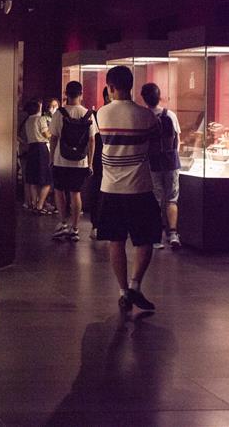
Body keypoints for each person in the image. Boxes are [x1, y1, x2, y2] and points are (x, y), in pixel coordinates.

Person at [97, 66, 162, 316]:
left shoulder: (101, 114)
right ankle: (136, 285)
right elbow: (156, 149)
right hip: (140, 187)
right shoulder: (147, 116)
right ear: (131, 86)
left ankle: (123, 291)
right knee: (144, 239)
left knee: (116, 240)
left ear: (110, 87)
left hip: (110, 187)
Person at [50, 81, 97, 242]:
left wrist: (51, 158)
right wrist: (90, 163)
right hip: (80, 162)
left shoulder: (59, 114)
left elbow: (53, 138)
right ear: (81, 94)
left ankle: (63, 223)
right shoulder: (87, 114)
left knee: (59, 191)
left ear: (66, 94)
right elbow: (92, 141)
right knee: (76, 193)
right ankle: (75, 228)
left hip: (60, 160)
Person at [140, 82, 182, 250]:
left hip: (152, 161)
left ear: (144, 98)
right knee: (172, 198)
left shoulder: (143, 116)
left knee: (156, 198)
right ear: (160, 96)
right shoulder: (169, 114)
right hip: (171, 161)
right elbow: (178, 138)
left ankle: (155, 236)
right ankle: (173, 233)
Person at [87, 86, 111, 239]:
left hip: (98, 159)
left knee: (98, 191)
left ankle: (97, 225)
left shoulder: (97, 114)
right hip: (102, 161)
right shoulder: (100, 114)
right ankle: (98, 224)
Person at [22, 99, 53, 213]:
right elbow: (46, 134)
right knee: (47, 180)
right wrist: (53, 134)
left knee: (33, 179)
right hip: (41, 149)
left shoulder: (27, 120)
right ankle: (40, 205)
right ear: (38, 108)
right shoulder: (41, 119)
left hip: (31, 149)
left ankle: (34, 204)